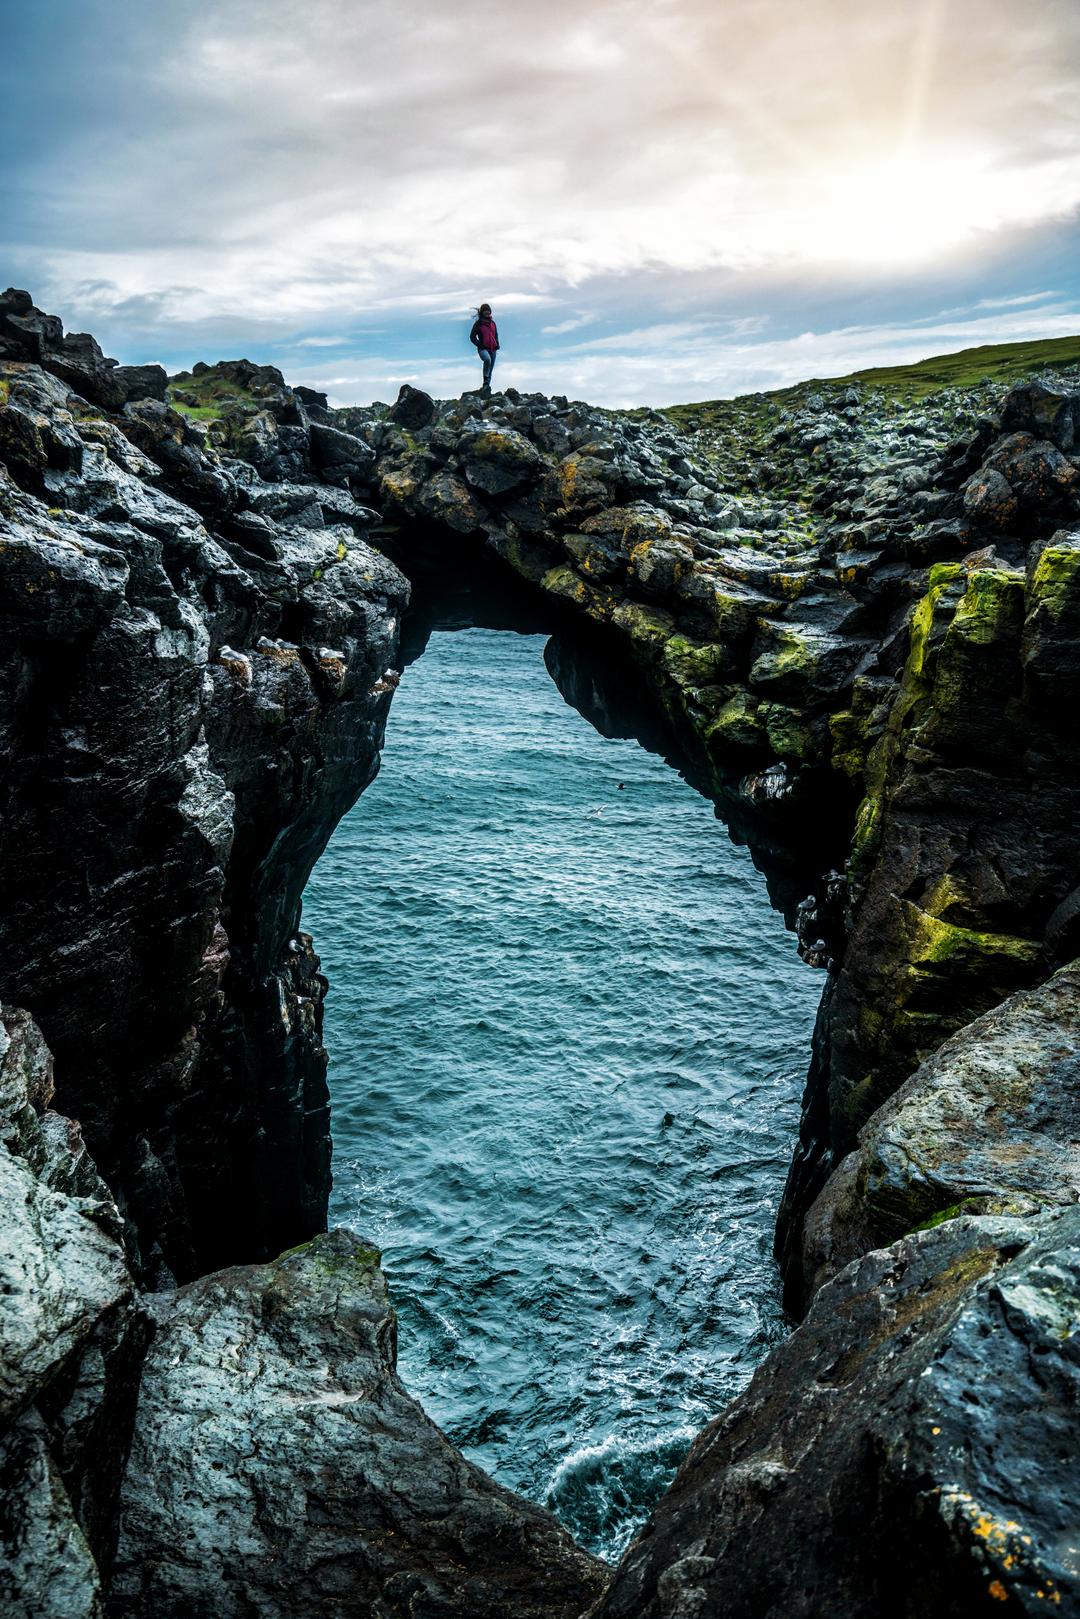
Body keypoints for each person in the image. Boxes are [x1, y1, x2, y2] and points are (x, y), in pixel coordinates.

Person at [469, 303, 499, 393]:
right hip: (483, 348)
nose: (487, 312)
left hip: (493, 348)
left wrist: (497, 344)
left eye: (488, 310)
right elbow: (472, 337)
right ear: (482, 312)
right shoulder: (478, 324)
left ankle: (486, 387)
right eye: (485, 310)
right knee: (487, 360)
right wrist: (480, 344)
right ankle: (485, 381)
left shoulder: (493, 323)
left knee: (490, 368)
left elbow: (496, 335)